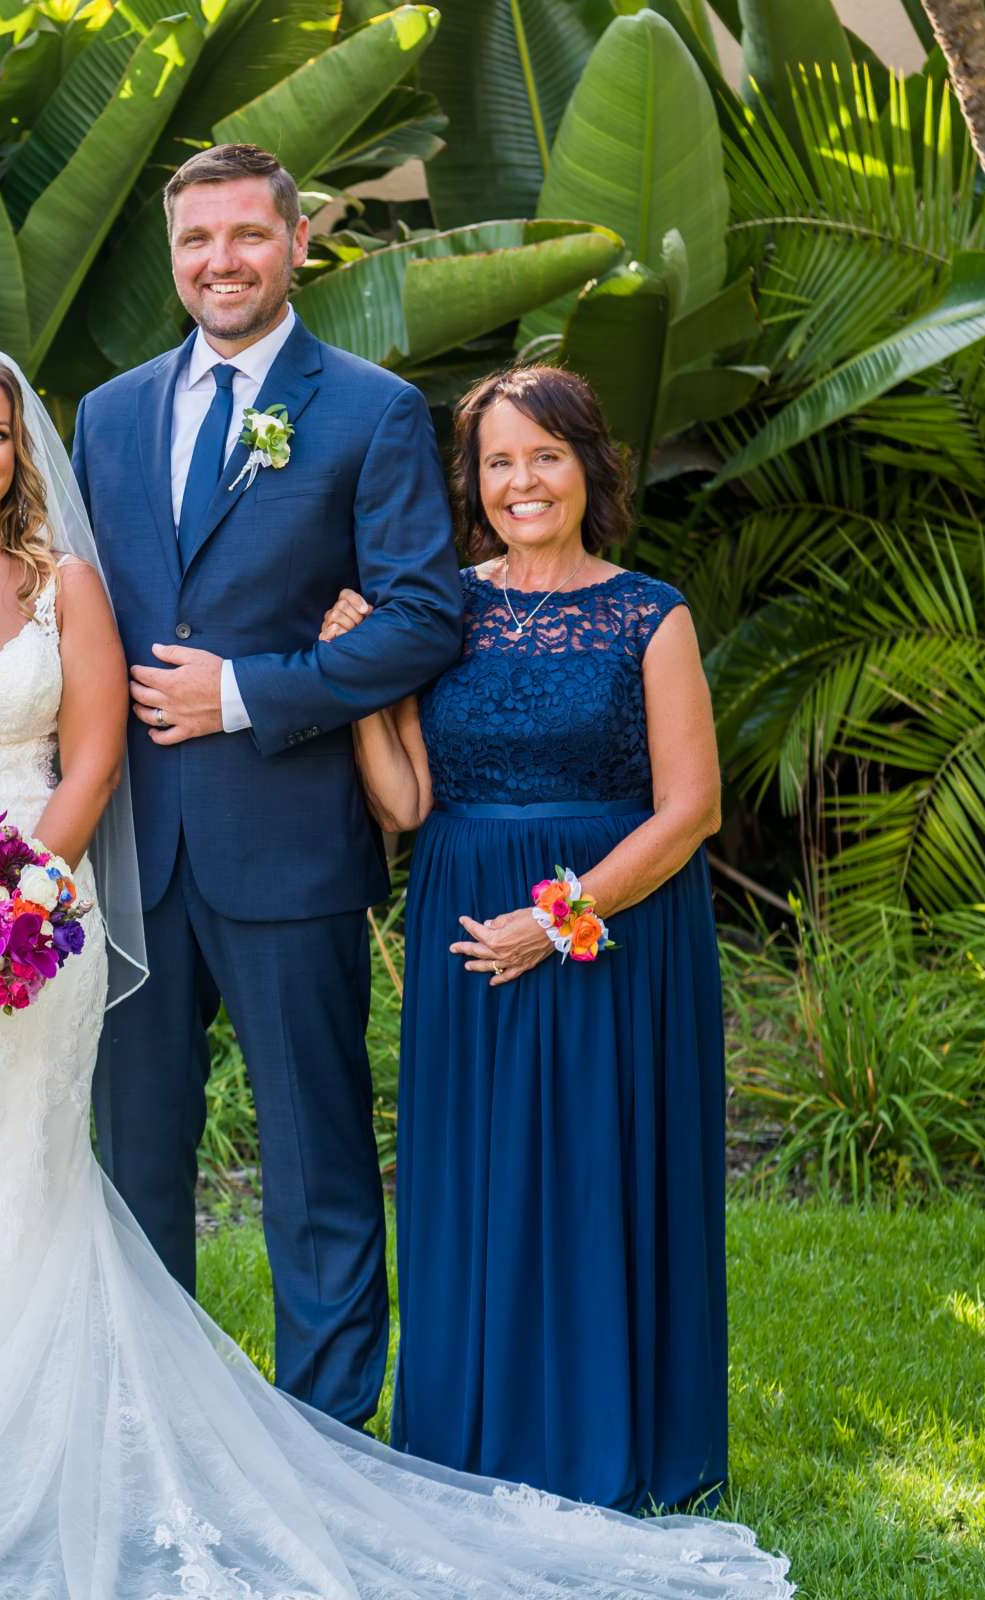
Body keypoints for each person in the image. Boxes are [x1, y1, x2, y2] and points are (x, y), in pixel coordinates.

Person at [0, 342, 791, 1599]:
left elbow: (94, 753)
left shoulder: (114, 552)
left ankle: (239, 1435)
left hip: (66, 903)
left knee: (90, 1165)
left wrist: (19, 898)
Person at [70, 143, 463, 1429]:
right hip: (132, 851)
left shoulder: (368, 409)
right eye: (197, 241)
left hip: (287, 838)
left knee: (317, 1159)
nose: (220, 262)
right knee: (135, 1165)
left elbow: (421, 616)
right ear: (172, 255)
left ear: (300, 245)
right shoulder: (109, 413)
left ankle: (329, 1429)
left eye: (247, 236)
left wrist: (244, 692)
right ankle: (153, 1421)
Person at [319, 364, 731, 1513]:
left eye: (543, 455)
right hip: (465, 927)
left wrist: (556, 923)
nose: (521, 482)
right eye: (498, 461)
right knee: (476, 1177)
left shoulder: (653, 613)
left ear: (590, 467)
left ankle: (619, 1437)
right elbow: (404, 803)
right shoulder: (442, 609)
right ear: (475, 483)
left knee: (602, 1170)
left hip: (609, 931)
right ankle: (470, 1439)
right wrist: (361, 682)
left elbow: (689, 807)